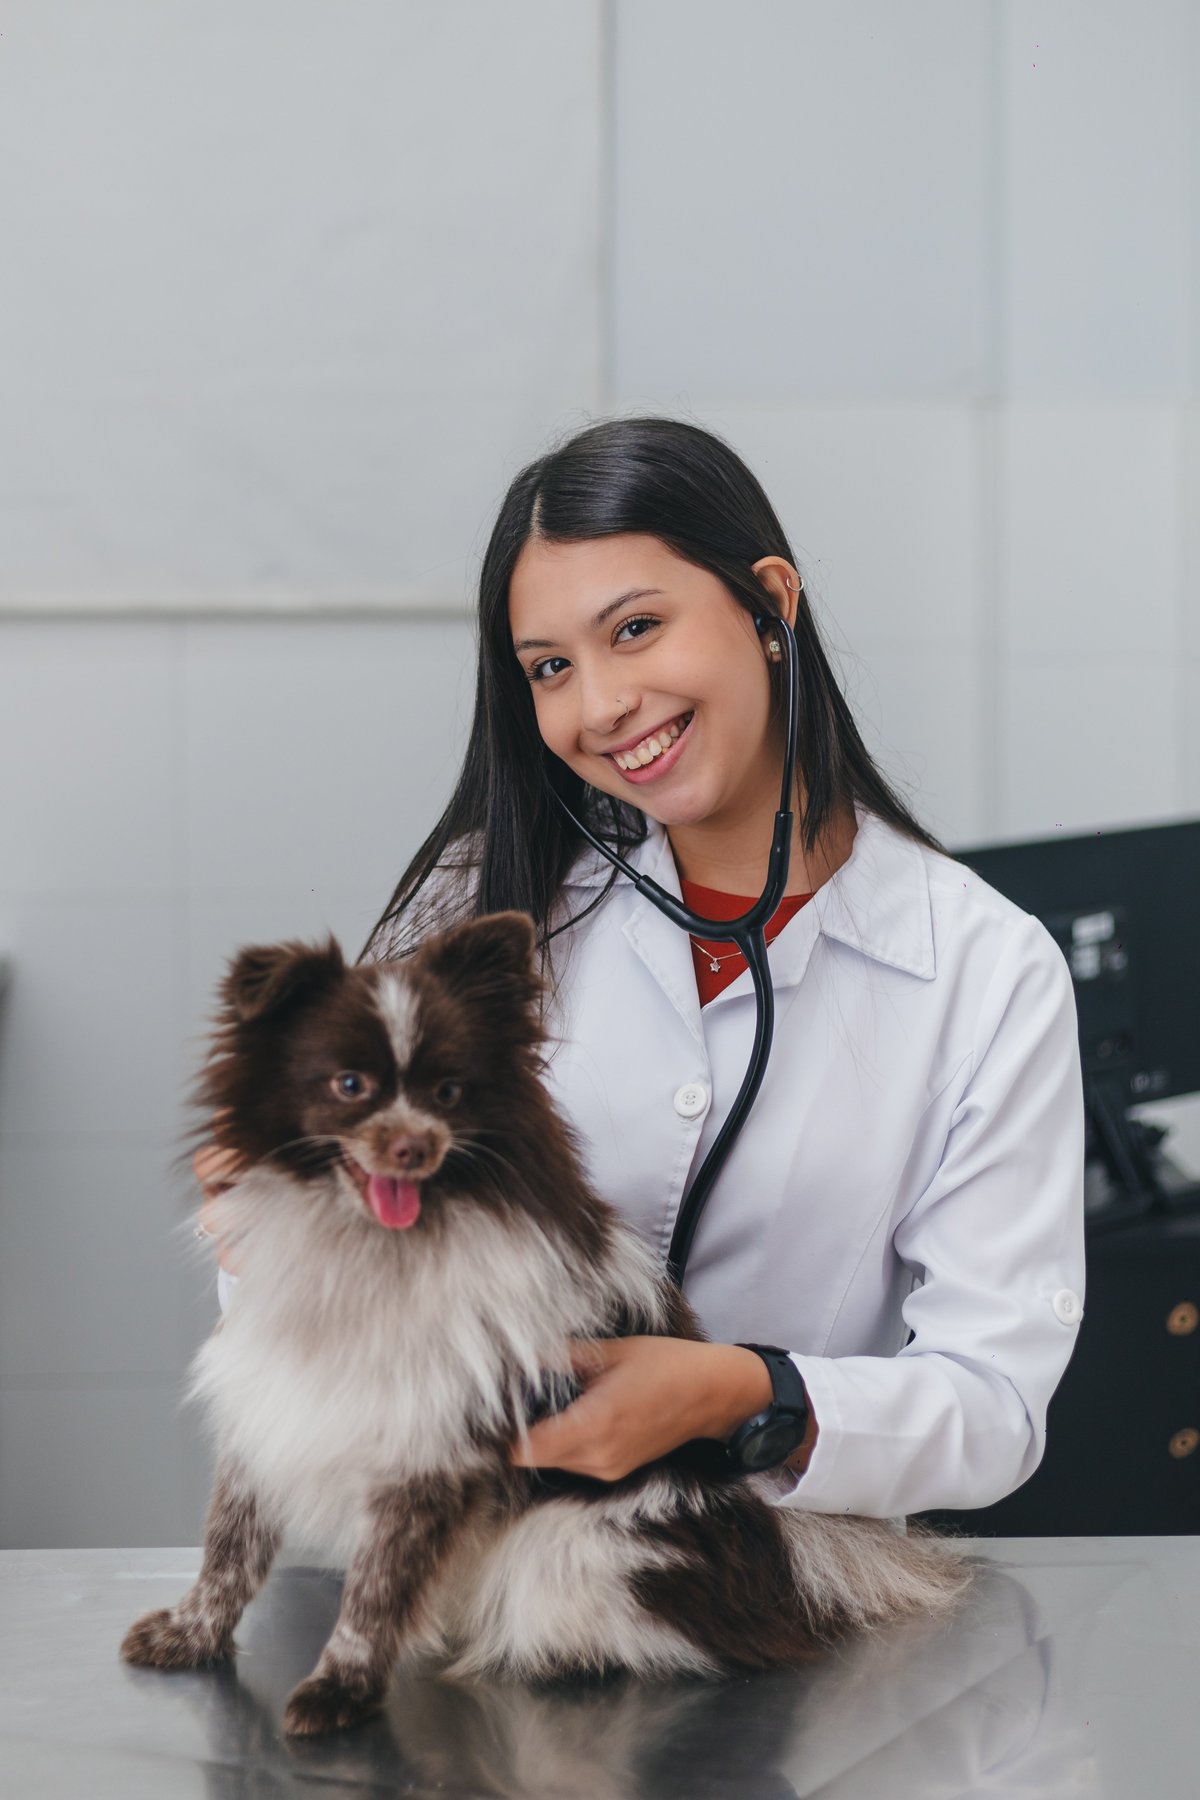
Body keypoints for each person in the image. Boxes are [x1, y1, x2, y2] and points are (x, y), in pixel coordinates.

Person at [196, 415, 1085, 1519]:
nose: (602, 705)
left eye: (637, 628)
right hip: (451, 1551)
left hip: (764, 1575)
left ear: (771, 604)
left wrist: (737, 1394)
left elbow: (992, 1407)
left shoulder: (986, 972)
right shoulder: (477, 907)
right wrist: (263, 1222)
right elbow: (285, 1293)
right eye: (551, 668)